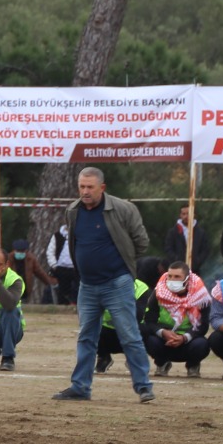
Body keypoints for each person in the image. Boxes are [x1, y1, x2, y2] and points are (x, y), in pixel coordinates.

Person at [52, 167, 154, 403]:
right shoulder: (73, 210)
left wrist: (121, 267)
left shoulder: (123, 209)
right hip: (87, 285)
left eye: (90, 187)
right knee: (86, 337)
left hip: (117, 283)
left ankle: (144, 387)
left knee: (129, 335)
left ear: (102, 188)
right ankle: (80, 387)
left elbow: (141, 243)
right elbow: (74, 244)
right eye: (81, 187)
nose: (85, 192)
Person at [141, 261, 210, 378]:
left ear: (187, 279)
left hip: (188, 341)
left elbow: (203, 326)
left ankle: (193, 365)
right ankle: (162, 363)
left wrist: (183, 338)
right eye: (170, 276)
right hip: (164, 340)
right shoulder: (158, 293)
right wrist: (163, 333)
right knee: (148, 338)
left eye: (177, 277)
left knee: (202, 344)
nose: (172, 280)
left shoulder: (201, 296)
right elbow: (149, 321)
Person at [10, 238, 55, 304]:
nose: (20, 253)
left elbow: (40, 273)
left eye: (22, 251)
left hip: (25, 289)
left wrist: (50, 283)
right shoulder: (7, 259)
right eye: (18, 251)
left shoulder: (30, 259)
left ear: (26, 251)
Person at [163, 206, 203, 276]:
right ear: (180, 215)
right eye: (183, 214)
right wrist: (176, 259)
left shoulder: (200, 232)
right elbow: (168, 248)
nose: (186, 216)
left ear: (193, 214)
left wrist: (197, 261)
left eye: (188, 214)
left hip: (195, 269)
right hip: (177, 269)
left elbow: (205, 249)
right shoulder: (173, 232)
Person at [45, 222, 78, 304]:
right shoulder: (57, 236)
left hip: (76, 269)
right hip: (61, 269)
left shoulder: (79, 236)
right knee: (62, 292)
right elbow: (50, 252)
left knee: (77, 290)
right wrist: (54, 266)